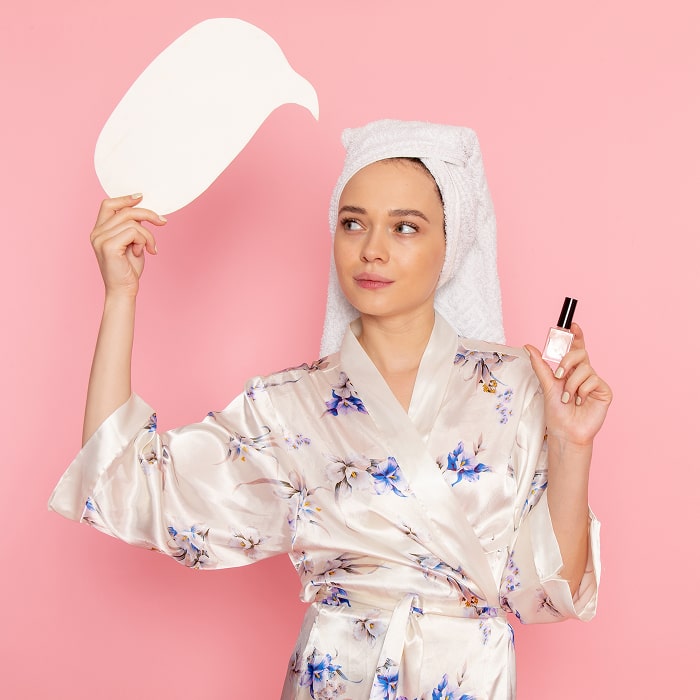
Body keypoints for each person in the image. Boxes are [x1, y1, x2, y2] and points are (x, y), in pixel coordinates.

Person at [49, 119, 612, 699]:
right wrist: (120, 295)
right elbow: (125, 484)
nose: (372, 250)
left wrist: (573, 445)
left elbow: (550, 591)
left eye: (405, 227)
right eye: (353, 223)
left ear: (451, 243)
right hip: (335, 678)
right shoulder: (290, 405)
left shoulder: (517, 385)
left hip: (469, 676)